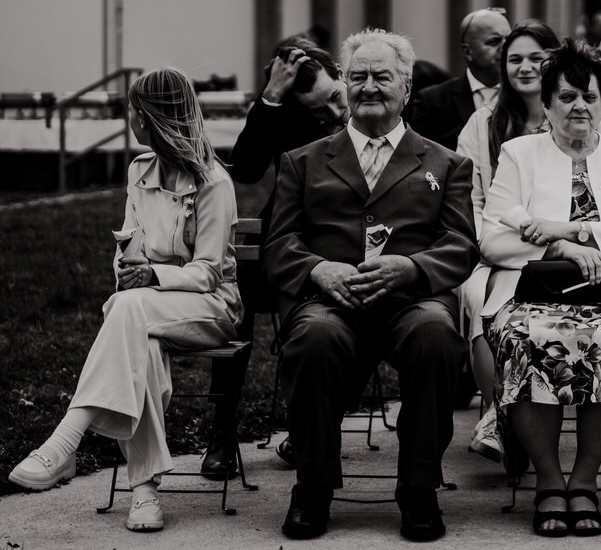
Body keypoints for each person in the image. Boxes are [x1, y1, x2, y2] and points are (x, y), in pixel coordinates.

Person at [265, 28, 477, 542]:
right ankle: (312, 489)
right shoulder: (304, 161)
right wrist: (318, 269)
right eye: (357, 76)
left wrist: (411, 267)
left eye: (382, 76)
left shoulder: (446, 164)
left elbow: (461, 243)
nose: (369, 87)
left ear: (405, 87)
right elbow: (279, 242)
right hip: (330, 302)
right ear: (344, 84)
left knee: (434, 336)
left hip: (412, 300)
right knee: (313, 339)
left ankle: (419, 491)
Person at [8, 69, 242, 533]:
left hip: (210, 305)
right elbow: (128, 245)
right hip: (149, 309)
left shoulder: (213, 181)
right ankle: (144, 491)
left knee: (126, 311)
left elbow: (209, 272)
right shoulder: (139, 171)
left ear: (149, 117)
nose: (128, 117)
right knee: (143, 347)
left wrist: (151, 274)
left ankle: (65, 442)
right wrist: (129, 267)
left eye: (133, 109)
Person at [479, 40, 601, 538]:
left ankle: (583, 481)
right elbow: (493, 239)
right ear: (546, 104)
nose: (578, 106)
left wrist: (570, 231)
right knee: (523, 340)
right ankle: (548, 479)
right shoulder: (519, 154)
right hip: (530, 291)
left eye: (589, 96)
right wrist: (560, 249)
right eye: (566, 97)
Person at [203, 36, 348, 476]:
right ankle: (221, 436)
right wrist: (271, 98)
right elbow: (244, 171)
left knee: (322, 323)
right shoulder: (289, 116)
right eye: (320, 109)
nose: (335, 114)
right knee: (235, 308)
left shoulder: (367, 106)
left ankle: (310, 431)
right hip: (283, 246)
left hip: (342, 252)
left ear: (341, 75)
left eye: (336, 98)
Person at [455, 20, 561, 462]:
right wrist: (494, 245)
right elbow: (470, 201)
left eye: (536, 58)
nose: (525, 67)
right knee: (480, 297)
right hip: (493, 250)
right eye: (514, 58)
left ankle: (509, 418)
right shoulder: (483, 125)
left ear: (553, 62)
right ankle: (499, 412)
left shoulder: (573, 117)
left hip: (558, 254)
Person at [410, 7, 511, 149]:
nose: (506, 48)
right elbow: (421, 157)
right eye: (494, 41)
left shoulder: (525, 95)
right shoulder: (433, 101)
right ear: (468, 51)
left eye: (509, 40)